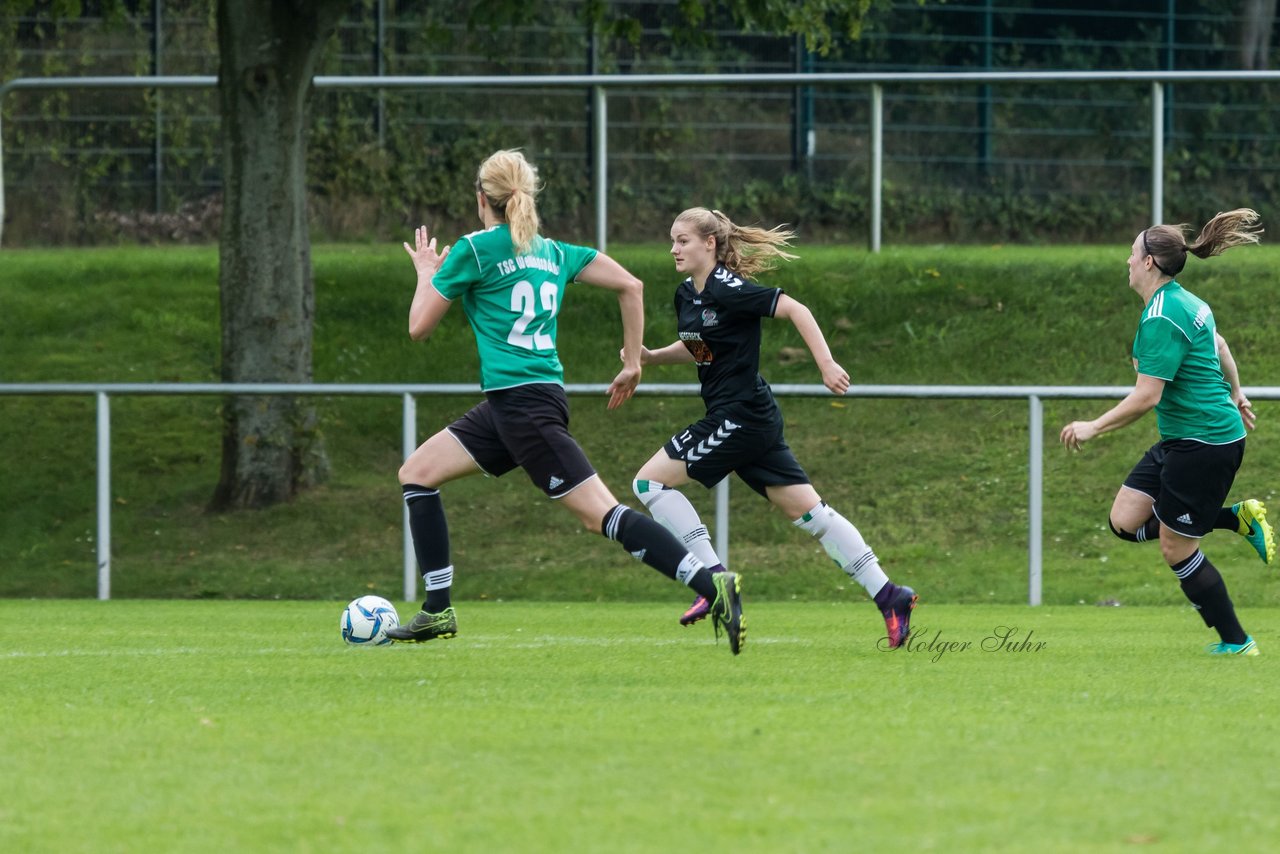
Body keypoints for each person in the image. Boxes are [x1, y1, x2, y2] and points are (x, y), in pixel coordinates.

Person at [386, 151, 744, 654]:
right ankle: (437, 609)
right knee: (418, 472)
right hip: (525, 402)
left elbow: (417, 327)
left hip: (522, 408)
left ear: (480, 198)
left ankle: (712, 583)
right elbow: (630, 285)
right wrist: (633, 362)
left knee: (600, 513)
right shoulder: (551, 251)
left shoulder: (476, 249)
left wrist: (426, 271)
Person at [629, 207, 918, 649]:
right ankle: (889, 595)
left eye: (683, 240)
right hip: (750, 418)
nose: (673, 248)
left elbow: (796, 310)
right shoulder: (687, 294)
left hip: (739, 415)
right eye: (672, 240)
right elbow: (700, 350)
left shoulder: (730, 289)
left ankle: (713, 580)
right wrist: (651, 358)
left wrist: (826, 364)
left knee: (649, 483)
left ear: (710, 244)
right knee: (810, 515)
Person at [1060, 208, 1274, 656]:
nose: (1127, 261)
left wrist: (1093, 427)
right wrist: (1237, 392)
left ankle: (1237, 642)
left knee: (1175, 546)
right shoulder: (1185, 301)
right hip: (1185, 438)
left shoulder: (1162, 316)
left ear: (1149, 262)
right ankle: (1234, 518)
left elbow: (1146, 397)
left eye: (1132, 253)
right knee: (1124, 521)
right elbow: (1219, 346)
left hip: (1205, 443)